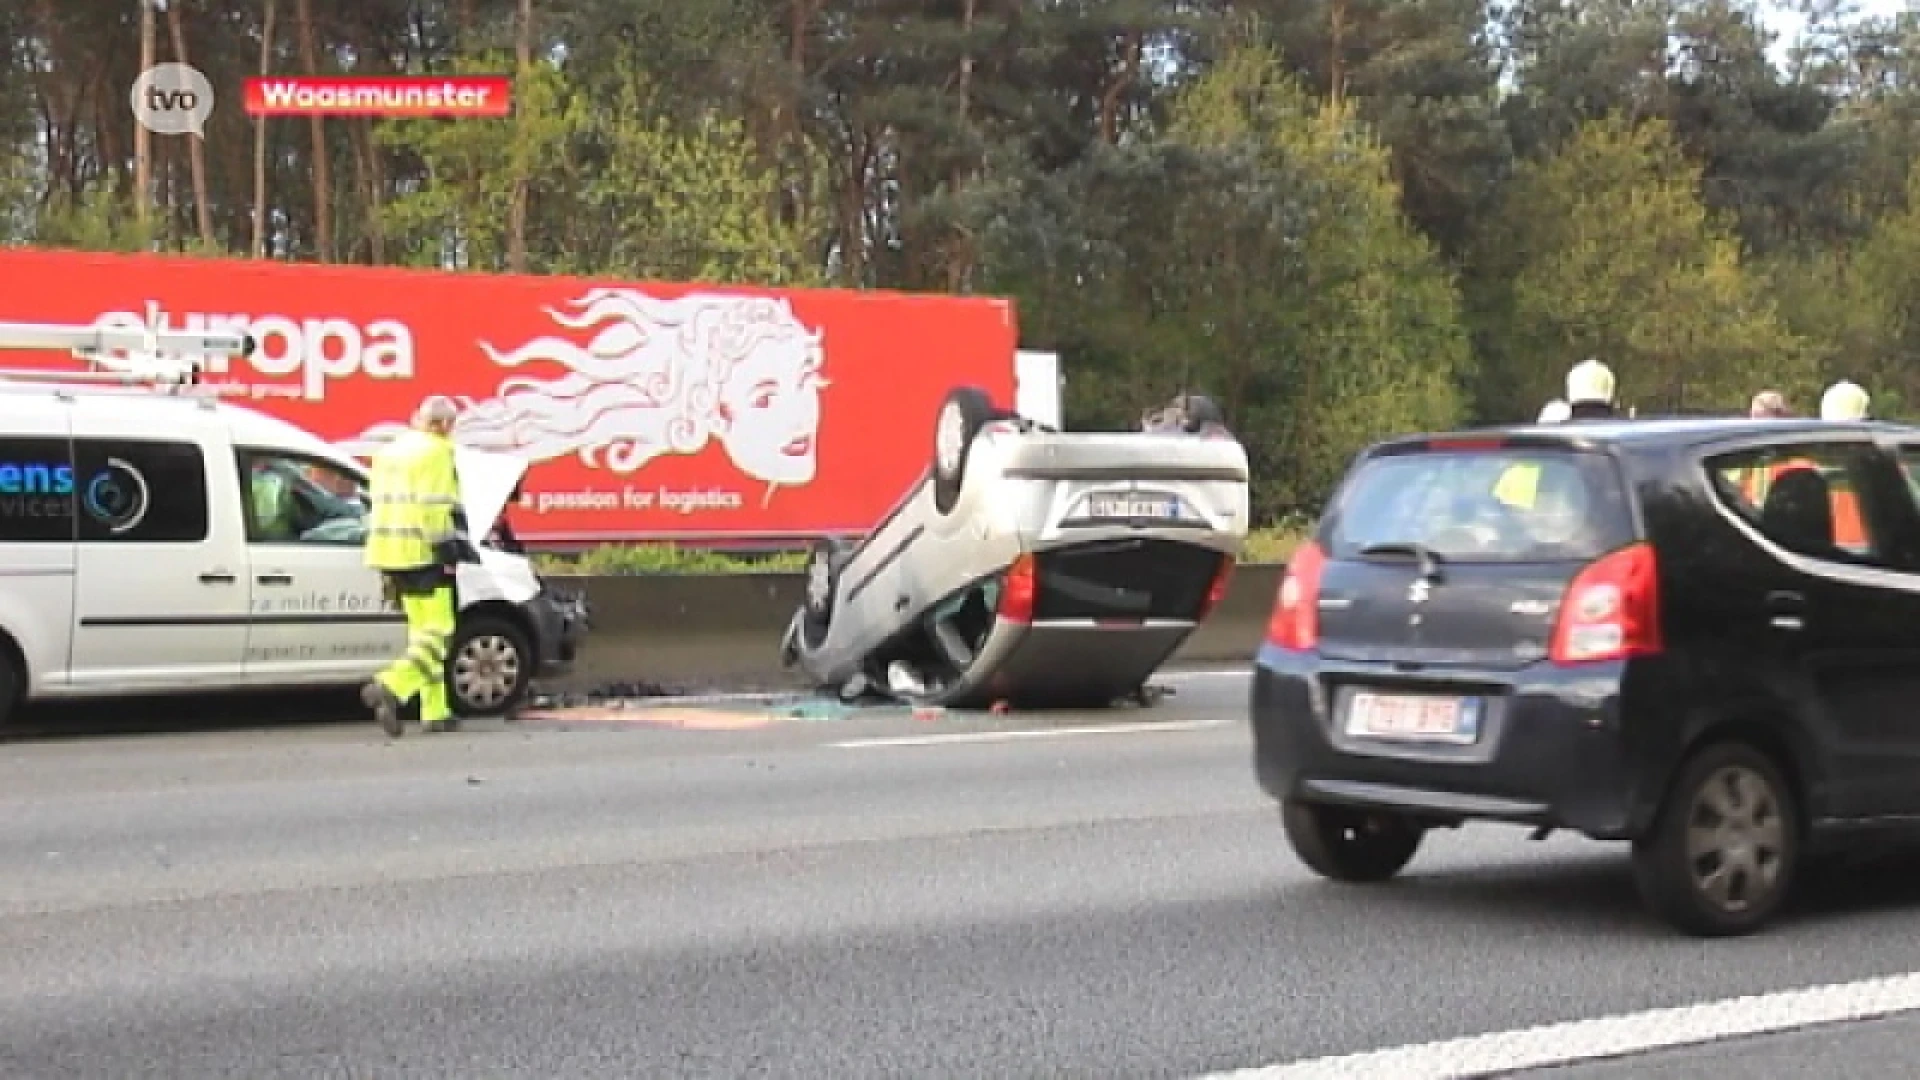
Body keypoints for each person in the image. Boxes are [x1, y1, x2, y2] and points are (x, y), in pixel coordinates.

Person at [362, 395, 468, 737]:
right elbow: (433, 506)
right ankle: (390, 686)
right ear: (447, 425)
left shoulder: (390, 451)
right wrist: (448, 550)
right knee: (440, 632)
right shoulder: (437, 452)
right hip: (422, 553)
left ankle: (435, 711)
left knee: (421, 634)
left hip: (388, 553)